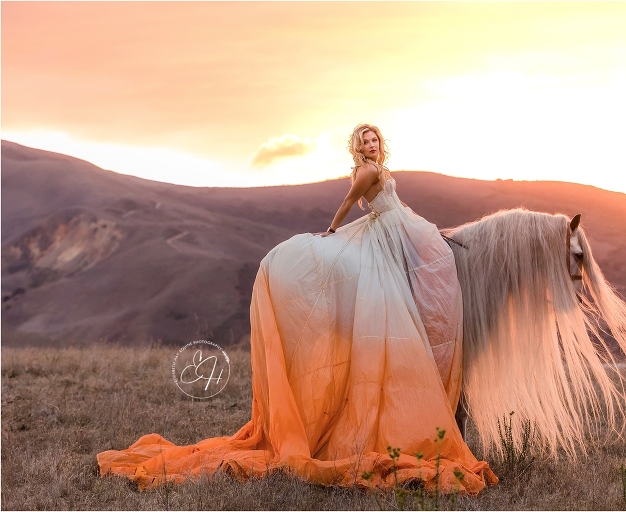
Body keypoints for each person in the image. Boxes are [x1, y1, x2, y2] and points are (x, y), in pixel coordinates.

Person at [97, 124, 497, 494]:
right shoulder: (366, 173)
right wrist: (333, 230)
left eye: (374, 139)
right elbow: (349, 201)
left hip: (401, 225)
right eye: (365, 141)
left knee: (428, 268)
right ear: (358, 148)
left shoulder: (380, 168)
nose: (371, 144)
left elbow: (397, 203)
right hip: (386, 229)